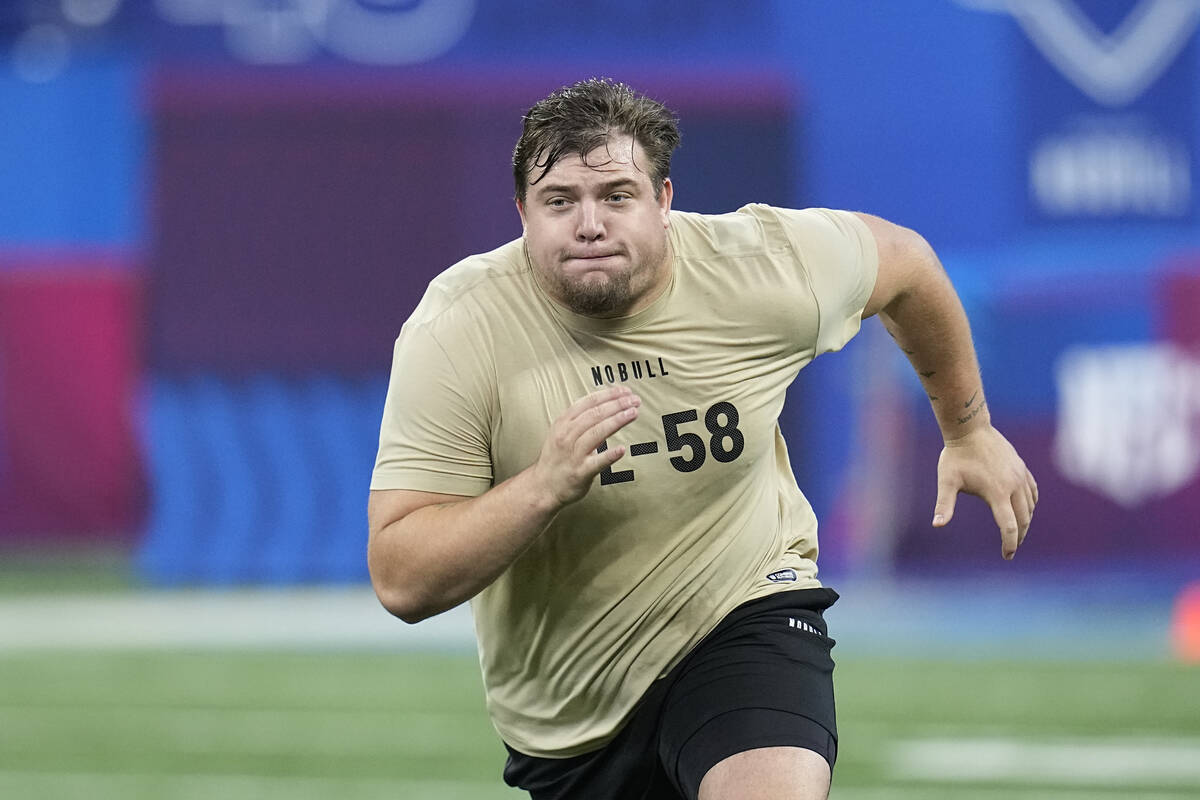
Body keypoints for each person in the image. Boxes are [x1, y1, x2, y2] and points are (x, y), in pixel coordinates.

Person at [367, 78, 1037, 800]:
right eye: (560, 201)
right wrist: (540, 489)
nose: (589, 223)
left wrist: (968, 429)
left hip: (743, 615)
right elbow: (402, 577)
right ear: (522, 213)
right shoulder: (460, 327)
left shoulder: (762, 267)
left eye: (617, 196)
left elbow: (907, 264)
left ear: (663, 201)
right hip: (571, 708)